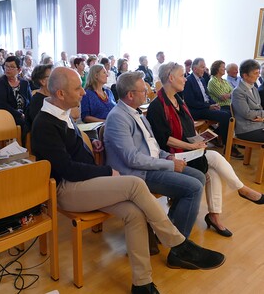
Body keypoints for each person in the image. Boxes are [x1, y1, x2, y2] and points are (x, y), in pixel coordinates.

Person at [31, 67, 225, 294]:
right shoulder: (45, 123)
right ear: (60, 94)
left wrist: (91, 145)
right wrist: (105, 171)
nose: (83, 93)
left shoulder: (61, 114)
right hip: (67, 191)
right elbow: (67, 169)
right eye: (77, 88)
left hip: (83, 185)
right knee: (134, 183)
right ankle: (178, 243)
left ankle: (142, 283)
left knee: (134, 214)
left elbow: (70, 152)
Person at [147, 63, 264, 239]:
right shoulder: (157, 106)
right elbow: (164, 140)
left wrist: (198, 138)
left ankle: (214, 216)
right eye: (181, 75)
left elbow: (188, 126)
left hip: (186, 149)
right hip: (173, 155)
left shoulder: (178, 99)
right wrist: (192, 146)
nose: (185, 79)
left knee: (213, 170)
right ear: (171, 78)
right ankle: (241, 189)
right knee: (214, 156)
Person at [104, 71, 206, 238]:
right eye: (144, 90)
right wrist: (170, 164)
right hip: (137, 174)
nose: (148, 92)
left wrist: (167, 156)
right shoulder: (118, 117)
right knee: (193, 188)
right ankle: (179, 243)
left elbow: (153, 147)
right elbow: (132, 159)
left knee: (199, 176)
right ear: (130, 95)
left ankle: (170, 228)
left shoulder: (137, 113)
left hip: (151, 165)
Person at [182, 58, 243, 159]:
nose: (205, 69)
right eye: (202, 67)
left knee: (228, 114)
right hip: (196, 111)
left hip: (205, 107)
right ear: (195, 69)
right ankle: (228, 147)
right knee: (225, 116)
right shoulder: (189, 80)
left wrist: (215, 104)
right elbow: (190, 102)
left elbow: (207, 96)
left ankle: (219, 138)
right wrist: (208, 106)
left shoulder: (201, 79)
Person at [0, 56, 32, 143]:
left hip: (23, 114)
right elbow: (1, 104)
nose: (8, 69)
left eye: (11, 67)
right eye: (6, 66)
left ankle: (31, 148)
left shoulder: (24, 83)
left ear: (19, 70)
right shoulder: (1, 82)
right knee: (23, 123)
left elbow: (30, 101)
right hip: (6, 115)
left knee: (37, 121)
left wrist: (28, 114)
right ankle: (22, 147)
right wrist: (19, 114)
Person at [232, 59, 264, 145]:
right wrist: (262, 114)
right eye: (255, 73)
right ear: (245, 75)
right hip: (247, 129)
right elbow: (247, 113)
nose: (258, 76)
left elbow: (259, 108)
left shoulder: (254, 89)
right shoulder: (238, 91)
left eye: (258, 72)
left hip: (259, 124)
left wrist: (262, 117)